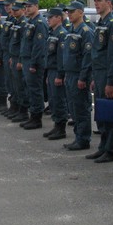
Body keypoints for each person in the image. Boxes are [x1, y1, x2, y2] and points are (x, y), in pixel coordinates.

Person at [86, 0, 113, 163]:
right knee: (101, 112)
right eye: (95, 1)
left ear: (109, 3)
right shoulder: (101, 22)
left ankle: (111, 149)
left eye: (99, 1)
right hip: (99, 73)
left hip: (107, 74)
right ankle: (103, 146)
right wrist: (95, 76)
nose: (96, 3)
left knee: (110, 113)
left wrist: (111, 81)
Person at [62, 0, 94, 151]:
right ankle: (78, 137)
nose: (69, 14)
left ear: (81, 12)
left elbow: (88, 57)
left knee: (81, 108)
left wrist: (83, 77)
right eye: (68, 11)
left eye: (72, 11)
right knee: (73, 108)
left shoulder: (85, 31)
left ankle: (83, 139)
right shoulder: (71, 31)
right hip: (70, 74)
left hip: (78, 76)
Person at [18, 0, 48, 130]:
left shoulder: (39, 23)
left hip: (33, 61)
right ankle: (32, 115)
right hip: (26, 59)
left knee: (35, 90)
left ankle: (36, 118)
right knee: (29, 88)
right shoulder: (30, 22)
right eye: (26, 7)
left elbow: (39, 46)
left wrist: (34, 64)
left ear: (36, 6)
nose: (27, 9)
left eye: (29, 6)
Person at [42, 8, 69, 141]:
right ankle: (56, 125)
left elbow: (61, 58)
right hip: (51, 70)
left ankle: (61, 128)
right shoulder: (53, 32)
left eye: (51, 17)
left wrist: (60, 75)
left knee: (59, 100)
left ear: (59, 18)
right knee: (53, 99)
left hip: (57, 71)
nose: (48, 19)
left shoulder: (62, 34)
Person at [6, 2, 29, 122]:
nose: (13, 12)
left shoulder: (24, 24)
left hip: (19, 58)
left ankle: (23, 111)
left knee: (20, 86)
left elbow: (23, 44)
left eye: (16, 10)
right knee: (15, 85)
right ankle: (17, 108)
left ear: (22, 10)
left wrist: (20, 60)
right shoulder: (16, 22)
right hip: (13, 57)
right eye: (13, 10)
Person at [0, 0, 17, 116]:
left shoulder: (16, 20)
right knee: (9, 82)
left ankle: (17, 107)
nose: (6, 7)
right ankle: (12, 106)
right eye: (5, 5)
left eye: (8, 5)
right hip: (6, 53)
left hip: (12, 54)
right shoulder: (9, 19)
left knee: (15, 83)